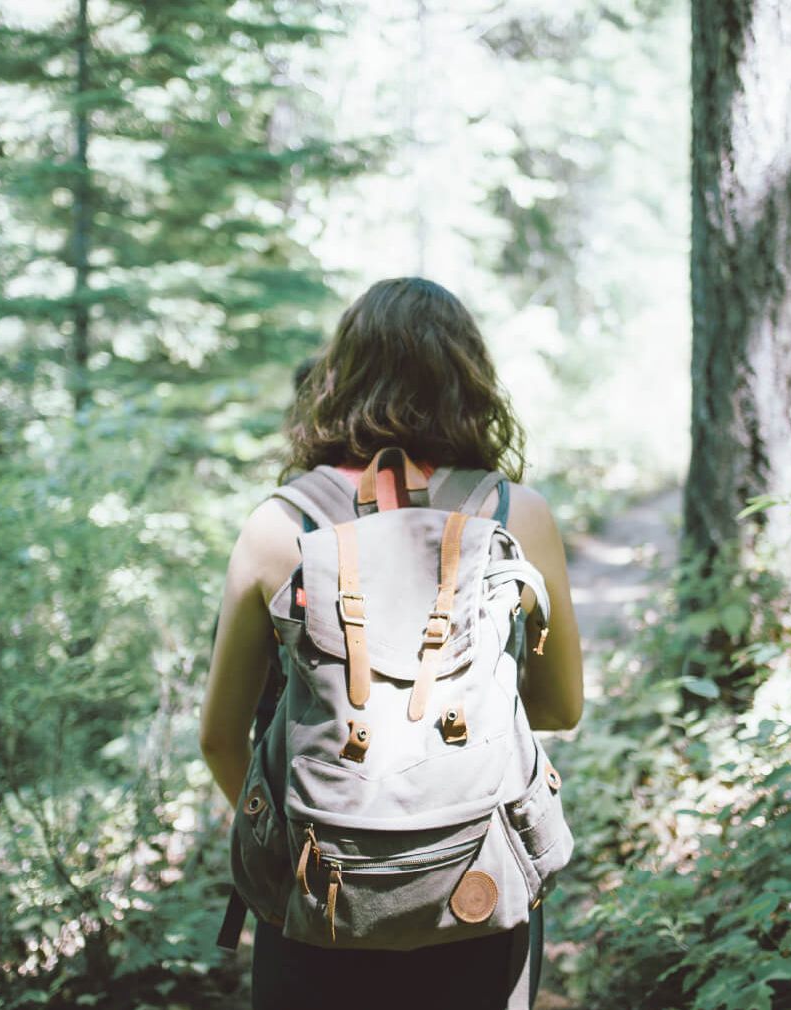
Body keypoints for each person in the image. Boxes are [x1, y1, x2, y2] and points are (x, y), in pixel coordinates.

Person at [199, 277, 584, 1010]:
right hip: (477, 885)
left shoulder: (278, 525)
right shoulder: (516, 515)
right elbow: (561, 707)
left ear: (339, 378)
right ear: (470, 381)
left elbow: (220, 736)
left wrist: (299, 835)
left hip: (317, 894)